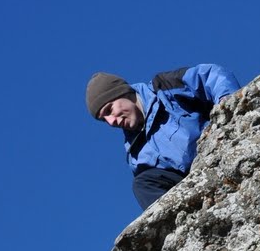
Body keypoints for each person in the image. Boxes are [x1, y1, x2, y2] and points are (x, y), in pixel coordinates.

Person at [86, 64, 240, 211]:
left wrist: (226, 100)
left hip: (219, 147)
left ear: (123, 93)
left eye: (109, 110)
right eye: (103, 119)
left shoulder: (165, 87)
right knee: (141, 184)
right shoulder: (136, 154)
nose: (111, 121)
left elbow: (211, 74)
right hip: (196, 184)